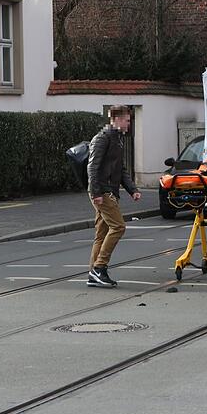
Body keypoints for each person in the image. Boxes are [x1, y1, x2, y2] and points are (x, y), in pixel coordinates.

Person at [87, 106, 143, 288]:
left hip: (109, 190)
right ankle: (99, 267)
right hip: (103, 191)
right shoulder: (102, 138)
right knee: (118, 227)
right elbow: (92, 167)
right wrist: (96, 193)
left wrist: (132, 189)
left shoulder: (117, 139)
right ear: (116, 119)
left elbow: (121, 168)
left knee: (101, 234)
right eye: (127, 120)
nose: (129, 124)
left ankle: (93, 274)